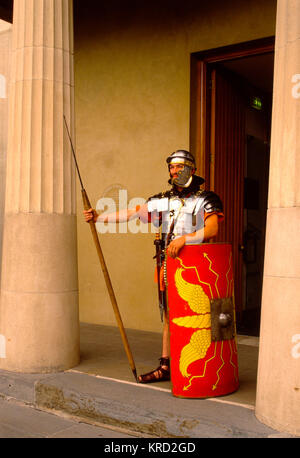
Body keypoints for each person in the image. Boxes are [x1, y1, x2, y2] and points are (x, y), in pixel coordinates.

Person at [83, 150, 223, 383]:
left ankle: (201, 364)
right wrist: (99, 218)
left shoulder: (207, 198)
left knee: (199, 314)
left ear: (193, 169)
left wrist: (183, 239)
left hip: (196, 265)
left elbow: (211, 230)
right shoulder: (161, 200)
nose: (175, 171)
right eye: (171, 167)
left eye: (180, 166)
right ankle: (166, 365)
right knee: (169, 314)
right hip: (168, 264)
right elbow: (132, 213)